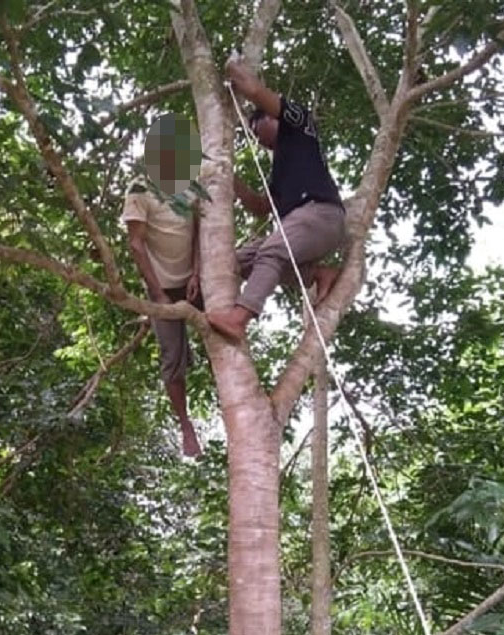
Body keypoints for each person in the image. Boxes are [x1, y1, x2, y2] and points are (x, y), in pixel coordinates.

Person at [206, 57, 347, 341]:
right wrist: (227, 177)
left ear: (271, 118)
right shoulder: (281, 169)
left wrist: (232, 68)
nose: (258, 141)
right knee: (238, 262)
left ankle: (240, 318)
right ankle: (318, 273)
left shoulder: (299, 123)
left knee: (272, 252)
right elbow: (260, 207)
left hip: (320, 214)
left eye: (257, 131)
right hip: (299, 224)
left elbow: (256, 92)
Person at [122, 179, 203, 457]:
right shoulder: (140, 189)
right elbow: (136, 243)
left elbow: (200, 231)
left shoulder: (192, 184)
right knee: (172, 359)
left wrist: (196, 272)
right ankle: (186, 427)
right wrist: (157, 294)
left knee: (224, 328)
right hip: (162, 286)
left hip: (197, 279)